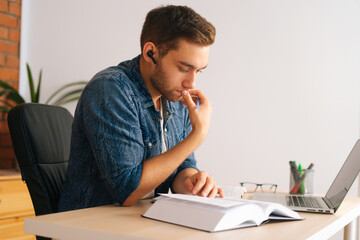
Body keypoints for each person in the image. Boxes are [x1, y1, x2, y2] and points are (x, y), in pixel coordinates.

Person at [58, 5, 224, 211]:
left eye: (199, 71)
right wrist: (198, 135)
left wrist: (193, 181)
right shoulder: (110, 89)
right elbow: (127, 190)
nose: (191, 83)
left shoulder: (175, 97)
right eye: (184, 68)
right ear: (150, 52)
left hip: (143, 219)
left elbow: (182, 164)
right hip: (90, 225)